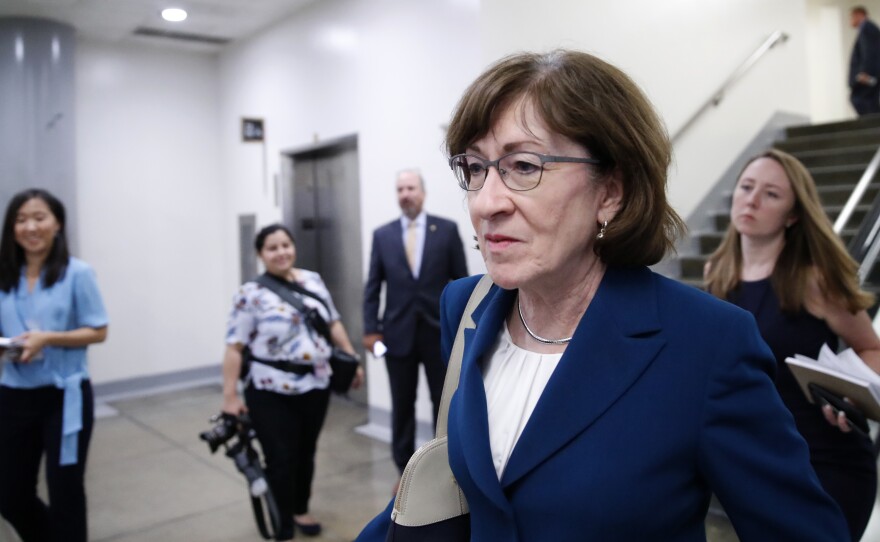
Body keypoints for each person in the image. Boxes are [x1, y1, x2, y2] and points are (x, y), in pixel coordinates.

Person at [357, 50, 849, 541]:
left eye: (523, 166)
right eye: (475, 168)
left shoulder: (708, 344)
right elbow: (456, 486)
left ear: (610, 191)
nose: (486, 203)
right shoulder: (466, 309)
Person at [704, 148, 880, 541]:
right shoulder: (717, 274)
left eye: (771, 194)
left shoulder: (813, 279)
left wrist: (851, 394)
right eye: (746, 187)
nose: (751, 199)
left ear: (793, 215)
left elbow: (873, 349)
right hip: (759, 462)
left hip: (828, 460)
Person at [222, 223, 362, 540]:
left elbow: (333, 322)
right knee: (279, 458)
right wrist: (230, 396)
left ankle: (300, 508)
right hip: (269, 389)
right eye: (272, 248)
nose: (281, 252)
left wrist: (350, 358)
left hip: (315, 385)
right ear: (260, 254)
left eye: (286, 245)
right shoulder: (250, 294)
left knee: (305, 452)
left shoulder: (312, 280)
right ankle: (281, 520)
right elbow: (234, 348)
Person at [0, 188, 108, 542]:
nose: (30, 227)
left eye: (39, 217)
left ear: (57, 223)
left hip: (65, 396)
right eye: (21, 219)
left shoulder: (78, 273)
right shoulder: (4, 276)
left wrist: (47, 338)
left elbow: (98, 330)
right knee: (10, 494)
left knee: (66, 492)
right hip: (14, 395)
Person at [362, 169, 468, 474]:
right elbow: (373, 286)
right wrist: (371, 329)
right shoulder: (383, 235)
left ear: (422, 192)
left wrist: (462, 328)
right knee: (402, 404)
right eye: (399, 189)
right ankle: (404, 471)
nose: (405, 194)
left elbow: (461, 281)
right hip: (396, 335)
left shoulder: (445, 230)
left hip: (439, 332)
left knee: (443, 402)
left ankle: (444, 468)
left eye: (410, 188)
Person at [849, 5, 880, 116]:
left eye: (851, 17)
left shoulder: (867, 28)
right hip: (871, 74)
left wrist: (864, 72)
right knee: (870, 102)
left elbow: (869, 51)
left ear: (858, 15)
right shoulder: (869, 28)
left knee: (858, 99)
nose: (850, 21)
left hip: (867, 75)